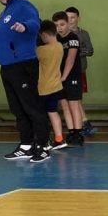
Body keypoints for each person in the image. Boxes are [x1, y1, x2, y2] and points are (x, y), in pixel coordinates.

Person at [0, 0, 49, 162]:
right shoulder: (7, 9)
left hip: (22, 65)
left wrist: (25, 27)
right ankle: (26, 145)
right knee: (17, 109)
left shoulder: (24, 5)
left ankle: (43, 145)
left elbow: (35, 22)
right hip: (8, 67)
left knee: (32, 107)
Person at [53, 11, 85, 146]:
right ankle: (71, 131)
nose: (59, 28)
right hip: (59, 77)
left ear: (68, 24)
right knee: (64, 105)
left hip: (72, 76)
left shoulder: (73, 38)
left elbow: (70, 59)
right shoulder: (55, 39)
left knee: (73, 104)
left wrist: (64, 77)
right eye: (56, 25)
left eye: (62, 24)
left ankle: (78, 132)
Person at [65, 6, 97, 136]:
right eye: (67, 18)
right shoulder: (61, 34)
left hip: (79, 71)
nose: (70, 20)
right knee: (70, 100)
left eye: (72, 17)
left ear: (78, 18)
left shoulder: (83, 34)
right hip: (65, 72)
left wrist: (74, 52)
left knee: (77, 99)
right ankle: (81, 124)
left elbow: (90, 50)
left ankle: (83, 124)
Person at [36, 20, 68, 150]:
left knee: (41, 116)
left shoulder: (41, 50)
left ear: (44, 35)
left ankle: (45, 141)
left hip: (43, 88)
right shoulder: (60, 46)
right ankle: (59, 139)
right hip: (56, 86)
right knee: (53, 112)